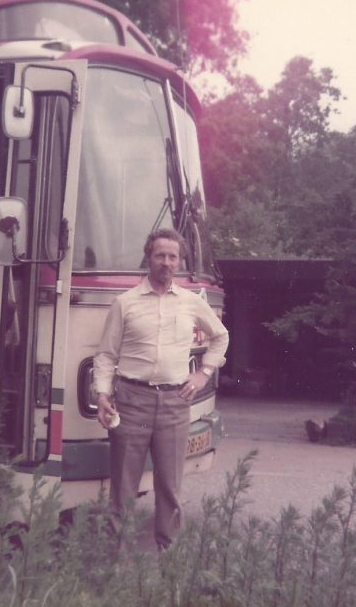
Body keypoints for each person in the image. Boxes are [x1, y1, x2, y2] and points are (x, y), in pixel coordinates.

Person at [93, 227, 229, 549]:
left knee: (169, 486)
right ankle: (118, 558)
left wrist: (204, 373)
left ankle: (168, 557)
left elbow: (220, 336)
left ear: (179, 261)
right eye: (160, 255)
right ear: (149, 258)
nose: (166, 262)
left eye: (172, 256)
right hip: (131, 401)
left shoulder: (190, 303)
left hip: (174, 403)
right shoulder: (125, 303)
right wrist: (101, 394)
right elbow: (106, 354)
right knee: (124, 486)